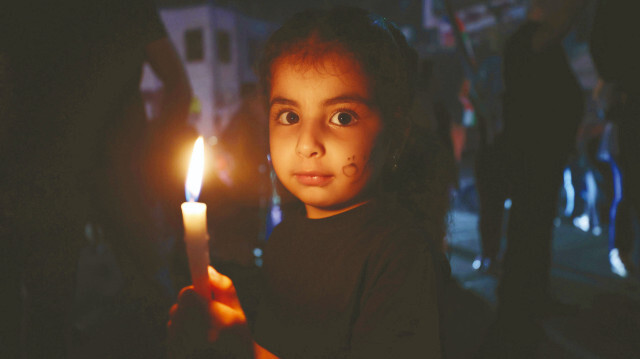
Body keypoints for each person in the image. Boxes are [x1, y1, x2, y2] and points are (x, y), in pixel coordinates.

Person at [167, 6, 451, 358]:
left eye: (342, 117)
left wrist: (246, 353)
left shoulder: (401, 257)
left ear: (394, 136)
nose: (306, 145)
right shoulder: (285, 238)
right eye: (289, 116)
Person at [1, 0, 193, 357]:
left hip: (47, 166)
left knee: (42, 313)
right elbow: (178, 84)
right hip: (105, 167)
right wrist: (153, 153)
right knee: (150, 292)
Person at [477, 0, 588, 357]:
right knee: (528, 228)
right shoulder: (527, 41)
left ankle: (533, 299)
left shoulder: (542, 44)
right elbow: (557, 27)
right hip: (531, 155)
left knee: (537, 228)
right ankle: (517, 313)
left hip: (544, 155)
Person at [590, 0, 640, 278]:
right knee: (629, 187)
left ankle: (621, 250)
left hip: (627, 112)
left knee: (628, 187)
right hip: (629, 116)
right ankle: (620, 250)